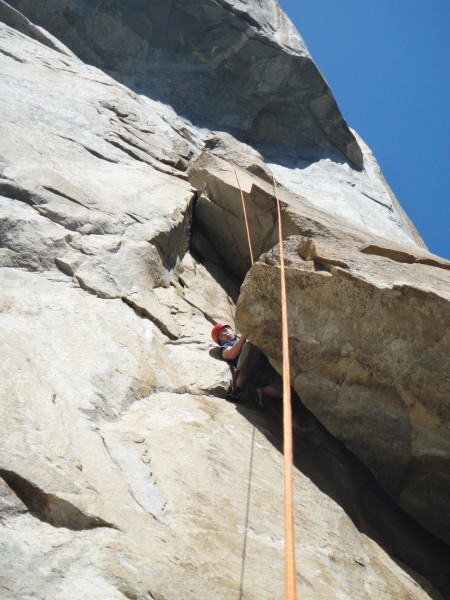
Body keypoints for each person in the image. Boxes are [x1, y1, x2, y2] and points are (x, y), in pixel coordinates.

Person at [211, 323, 282, 404]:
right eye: (221, 335)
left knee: (287, 386)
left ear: (232, 330)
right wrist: (243, 337)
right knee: (249, 345)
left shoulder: (241, 339)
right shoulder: (226, 347)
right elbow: (231, 354)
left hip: (266, 370)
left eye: (225, 330)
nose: (225, 333)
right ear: (221, 342)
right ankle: (238, 389)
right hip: (249, 373)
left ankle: (257, 393)